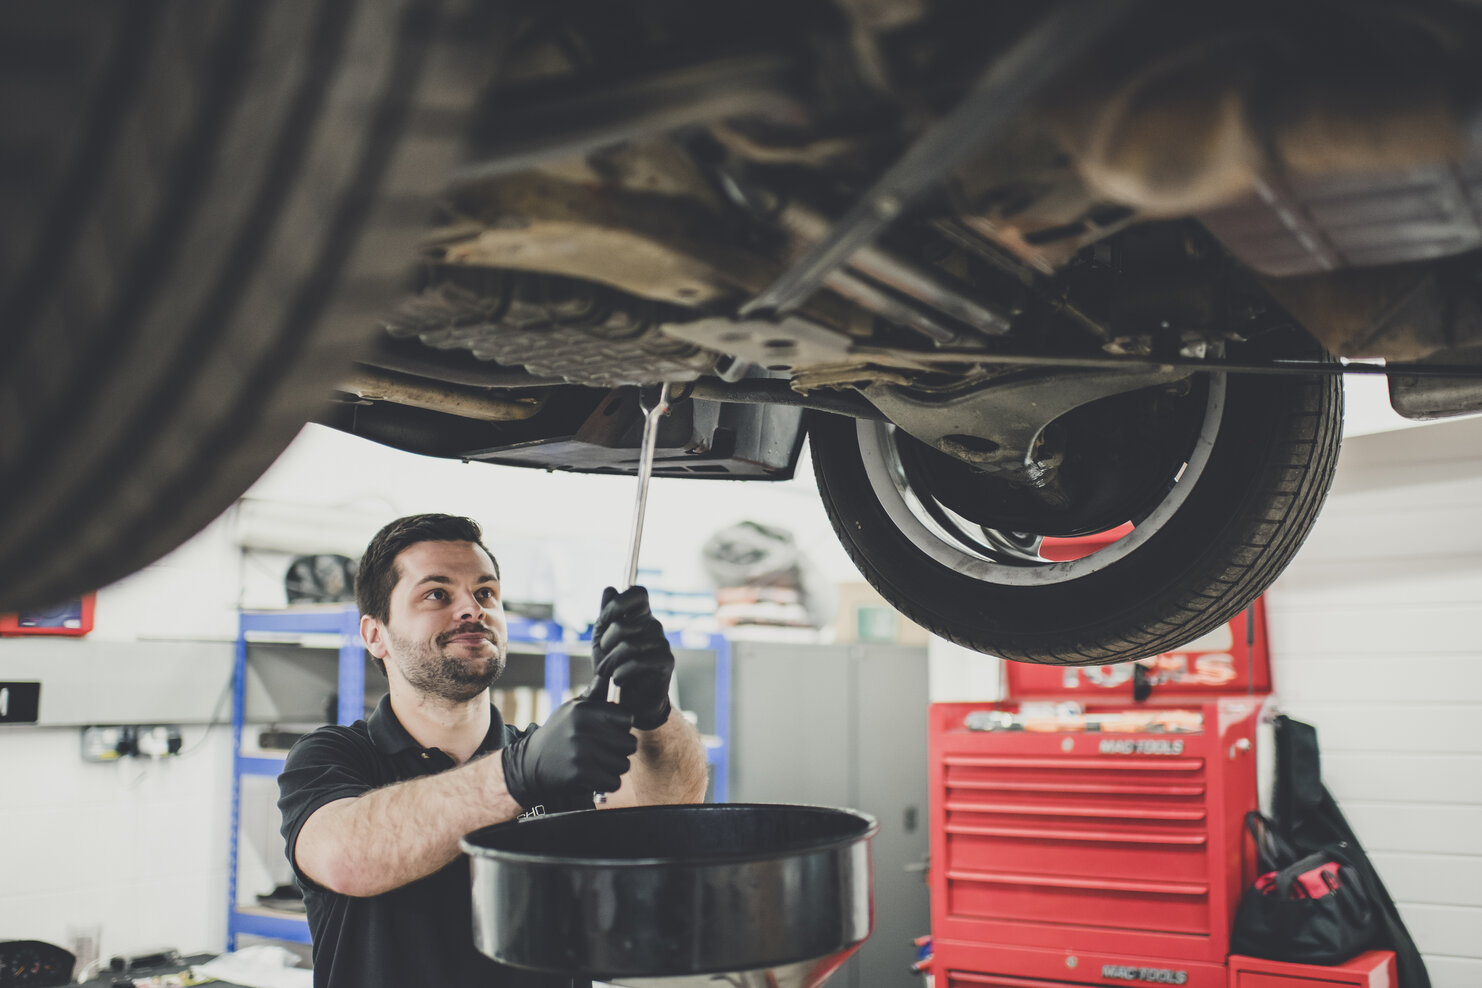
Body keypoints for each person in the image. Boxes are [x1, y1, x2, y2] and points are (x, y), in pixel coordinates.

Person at [277, 513, 709, 988]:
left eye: (485, 593)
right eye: (437, 594)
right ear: (374, 635)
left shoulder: (553, 757)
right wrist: (515, 775)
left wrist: (653, 711)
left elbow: (665, 817)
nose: (472, 610)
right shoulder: (333, 756)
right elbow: (346, 857)